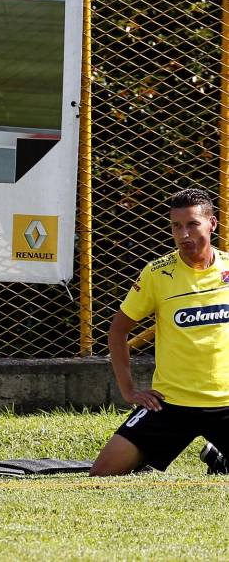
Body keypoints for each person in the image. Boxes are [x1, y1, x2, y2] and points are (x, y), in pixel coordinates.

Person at [91, 188, 229, 476]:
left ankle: (220, 458)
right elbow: (118, 331)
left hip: (225, 402)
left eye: (192, 224)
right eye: (176, 226)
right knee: (103, 472)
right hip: (170, 404)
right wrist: (129, 391)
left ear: (212, 224)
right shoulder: (157, 273)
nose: (184, 234)